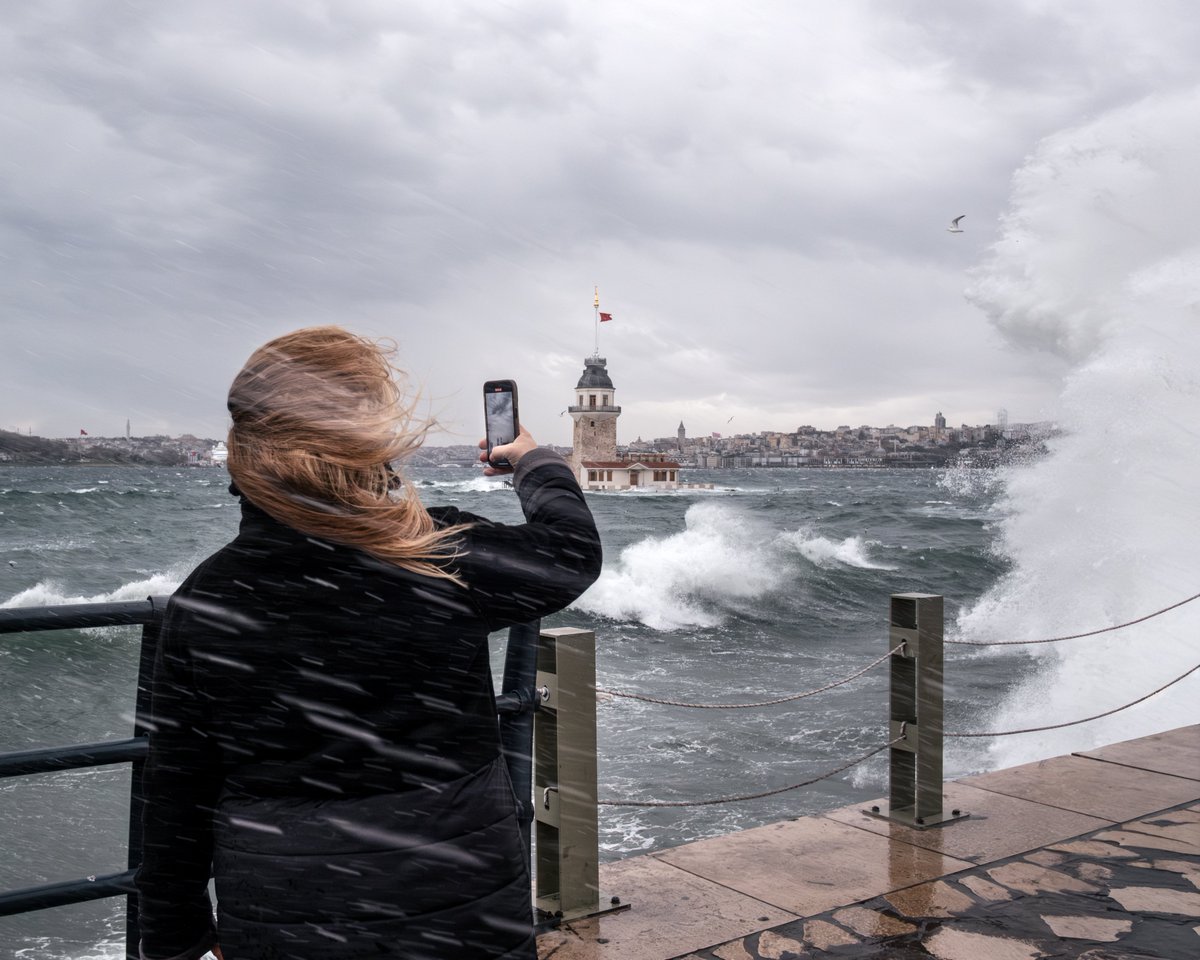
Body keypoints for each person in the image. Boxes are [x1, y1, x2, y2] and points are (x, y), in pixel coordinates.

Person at [135, 327, 602, 960]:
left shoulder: (208, 597)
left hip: (287, 908)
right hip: (456, 895)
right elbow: (571, 554)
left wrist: (175, 935)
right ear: (369, 441)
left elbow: (177, 789)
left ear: (247, 449)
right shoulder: (435, 554)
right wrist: (534, 462)